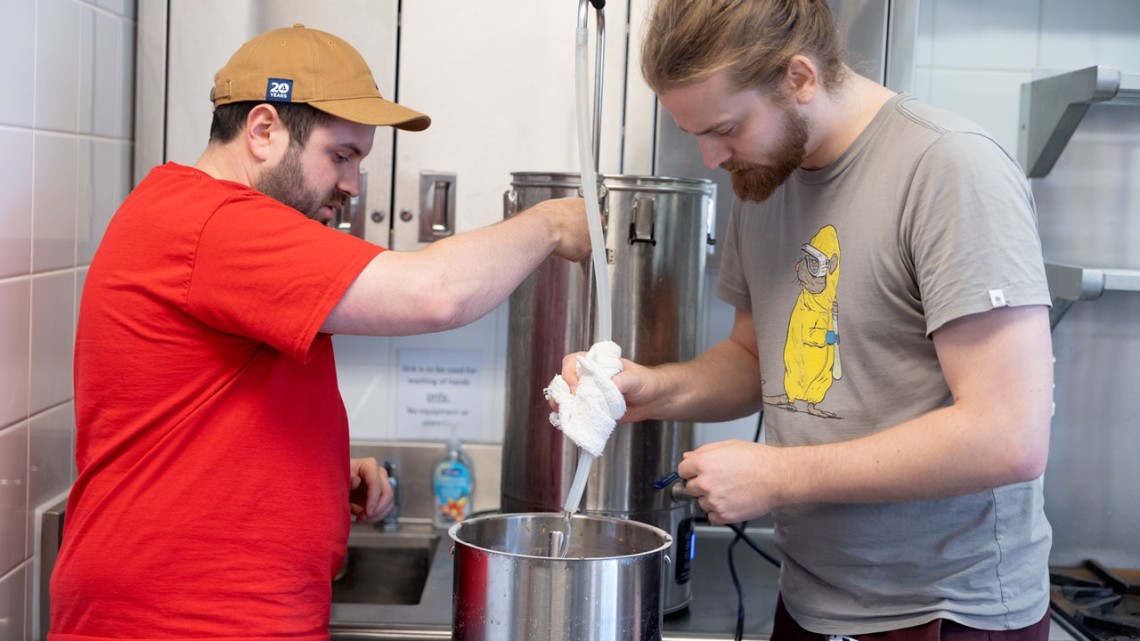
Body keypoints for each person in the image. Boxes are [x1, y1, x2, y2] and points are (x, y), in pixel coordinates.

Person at [51, 24, 590, 640]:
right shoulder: (214, 223)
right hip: (180, 622)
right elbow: (436, 294)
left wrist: (321, 469)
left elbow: (202, 411)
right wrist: (548, 222)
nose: (352, 186)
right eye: (341, 156)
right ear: (262, 130)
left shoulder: (194, 218)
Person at [560, 1, 1055, 639]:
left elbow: (1008, 437)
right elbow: (753, 358)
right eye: (697, 135)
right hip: (810, 598)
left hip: (944, 612)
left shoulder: (950, 169)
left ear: (799, 79)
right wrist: (655, 389)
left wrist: (780, 474)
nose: (713, 157)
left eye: (727, 128)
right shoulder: (767, 176)